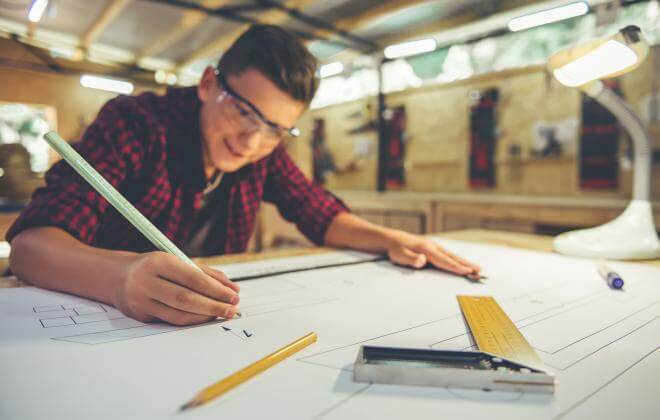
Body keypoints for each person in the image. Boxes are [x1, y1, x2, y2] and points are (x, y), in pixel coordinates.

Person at [7, 25, 480, 326]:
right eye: (243, 113)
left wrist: (387, 238)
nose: (252, 141)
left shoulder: (261, 153)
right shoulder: (136, 124)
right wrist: (120, 276)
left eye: (275, 129)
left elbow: (315, 210)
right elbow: (30, 248)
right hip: (109, 321)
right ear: (210, 83)